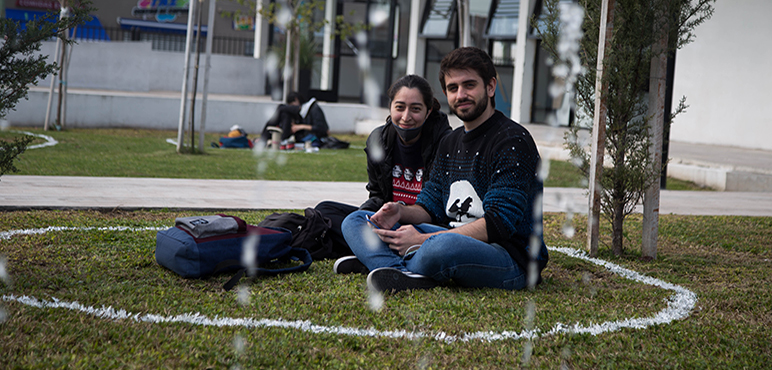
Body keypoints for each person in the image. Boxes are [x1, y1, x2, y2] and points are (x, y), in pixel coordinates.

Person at [336, 47, 549, 293]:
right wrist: (400, 212)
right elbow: (431, 205)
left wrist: (423, 240)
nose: (461, 95)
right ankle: (397, 269)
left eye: (469, 85)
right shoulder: (450, 142)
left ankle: (380, 261)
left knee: (442, 248)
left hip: (508, 256)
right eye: (453, 88)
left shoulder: (512, 140)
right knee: (356, 221)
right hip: (448, 235)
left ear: (490, 87)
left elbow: (499, 223)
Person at [315, 75, 452, 260]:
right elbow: (377, 194)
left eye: (416, 109)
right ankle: (376, 248)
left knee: (442, 237)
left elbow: (443, 208)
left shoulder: (447, 143)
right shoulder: (378, 140)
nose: (406, 117)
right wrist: (364, 216)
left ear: (428, 112)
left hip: (423, 225)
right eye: (400, 107)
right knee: (326, 211)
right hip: (387, 222)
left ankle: (370, 250)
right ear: (390, 107)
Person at [260, 92, 329, 149]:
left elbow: (322, 129)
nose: (291, 108)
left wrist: (299, 127)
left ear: (296, 100)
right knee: (284, 113)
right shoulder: (304, 113)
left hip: (313, 136)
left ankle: (264, 138)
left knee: (281, 108)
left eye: (291, 105)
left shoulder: (314, 109)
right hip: (302, 135)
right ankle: (280, 140)